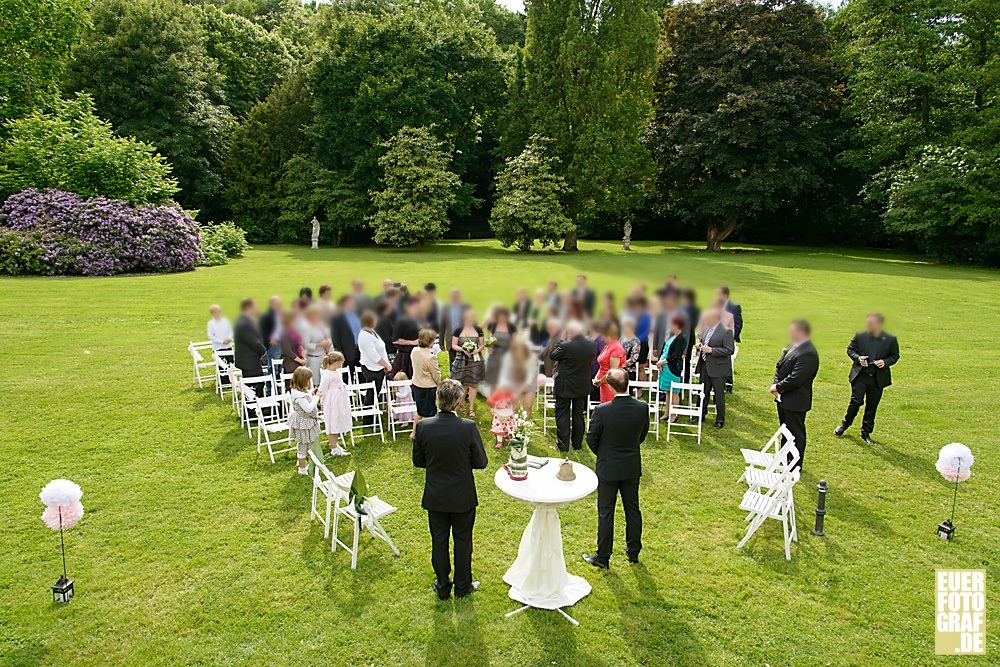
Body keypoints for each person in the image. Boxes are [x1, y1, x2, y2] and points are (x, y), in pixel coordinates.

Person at [412, 379, 489, 600]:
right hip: (462, 494)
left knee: (439, 539)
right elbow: (481, 461)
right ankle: (462, 586)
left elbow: (418, 461)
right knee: (463, 540)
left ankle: (443, 584)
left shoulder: (424, 426)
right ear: (457, 403)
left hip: (436, 494)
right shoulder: (467, 428)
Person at [583, 369, 649, 569]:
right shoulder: (642, 408)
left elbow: (591, 438)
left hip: (608, 467)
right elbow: (642, 435)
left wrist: (604, 454)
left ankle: (603, 557)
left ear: (610, 387)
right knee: (632, 509)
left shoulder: (603, 410)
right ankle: (633, 551)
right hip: (630, 465)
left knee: (606, 512)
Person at [836, 313, 899, 444]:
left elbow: (895, 356)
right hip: (861, 375)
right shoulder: (860, 335)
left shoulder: (890, 339)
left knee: (872, 405)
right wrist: (858, 358)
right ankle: (845, 424)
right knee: (856, 401)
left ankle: (866, 432)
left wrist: (885, 362)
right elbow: (850, 349)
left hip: (877, 378)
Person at [771, 319, 820, 469]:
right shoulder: (792, 346)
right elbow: (779, 366)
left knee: (795, 433)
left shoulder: (809, 353)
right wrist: (776, 385)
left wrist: (778, 387)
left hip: (796, 400)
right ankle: (785, 458)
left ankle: (795, 463)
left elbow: (796, 378)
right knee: (785, 430)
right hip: (784, 397)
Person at [550, 320, 594, 451]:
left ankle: (563, 444)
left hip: (565, 385)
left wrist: (561, 339)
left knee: (562, 413)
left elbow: (553, 355)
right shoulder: (591, 344)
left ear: (572, 332)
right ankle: (577, 443)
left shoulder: (565, 346)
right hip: (582, 385)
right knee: (578, 413)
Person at [697, 310, 735, 429]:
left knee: (718, 395)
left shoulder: (726, 331)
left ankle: (720, 419)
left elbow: (729, 350)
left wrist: (712, 350)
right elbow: (704, 341)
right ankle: (700, 414)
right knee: (703, 392)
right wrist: (700, 345)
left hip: (718, 369)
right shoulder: (707, 329)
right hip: (705, 366)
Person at [358, 311, 392, 423]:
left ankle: (372, 415)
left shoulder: (372, 332)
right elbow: (373, 355)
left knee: (375, 392)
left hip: (378, 368)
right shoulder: (364, 335)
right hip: (371, 368)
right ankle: (368, 419)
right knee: (371, 393)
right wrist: (386, 365)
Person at [450, 310, 485, 417]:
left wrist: (476, 350)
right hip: (461, 359)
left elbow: (482, 345)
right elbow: (453, 345)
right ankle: (462, 404)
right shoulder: (458, 330)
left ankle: (471, 408)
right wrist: (463, 349)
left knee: (473, 385)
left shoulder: (478, 330)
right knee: (463, 384)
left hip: (475, 360)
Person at [288, 367, 321, 475]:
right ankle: (302, 468)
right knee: (303, 445)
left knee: (310, 443)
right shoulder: (299, 396)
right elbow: (308, 408)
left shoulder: (301, 391)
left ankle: (308, 463)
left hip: (308, 421)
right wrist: (316, 398)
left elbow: (307, 395)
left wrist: (311, 393)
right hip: (303, 423)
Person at [319, 352, 351, 457]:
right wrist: (321, 401)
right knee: (332, 422)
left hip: (339, 399)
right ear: (336, 362)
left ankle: (336, 445)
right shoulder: (327, 375)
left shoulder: (337, 372)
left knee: (337, 421)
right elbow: (322, 390)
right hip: (332, 400)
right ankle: (333, 447)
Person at [656, 315, 688, 420]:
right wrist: (660, 363)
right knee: (668, 391)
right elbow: (665, 350)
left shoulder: (682, 338)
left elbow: (675, 355)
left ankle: (674, 414)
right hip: (665, 367)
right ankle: (667, 412)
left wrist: (662, 362)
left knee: (674, 391)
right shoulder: (672, 337)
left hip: (673, 368)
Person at [410, 329, 442, 434]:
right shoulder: (430, 357)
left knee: (419, 411)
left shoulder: (414, 351)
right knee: (429, 414)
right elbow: (436, 374)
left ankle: (414, 432)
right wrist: (439, 384)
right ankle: (428, 434)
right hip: (427, 387)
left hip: (416, 384)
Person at [499, 336, 539, 418]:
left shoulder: (531, 360)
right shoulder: (508, 358)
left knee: (527, 405)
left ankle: (524, 427)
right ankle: (515, 426)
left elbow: (529, 379)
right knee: (515, 406)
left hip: (530, 381)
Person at [234, 298, 267, 379]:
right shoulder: (244, 323)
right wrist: (263, 351)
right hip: (249, 362)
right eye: (255, 306)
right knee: (255, 386)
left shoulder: (245, 321)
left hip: (250, 360)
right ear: (249, 307)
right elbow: (253, 341)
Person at [593, 321, 625, 403]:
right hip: (603, 383)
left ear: (610, 336)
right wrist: (597, 377)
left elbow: (612, 371)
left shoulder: (616, 348)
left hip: (611, 385)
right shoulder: (607, 346)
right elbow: (602, 364)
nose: (602, 338)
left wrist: (600, 381)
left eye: (604, 335)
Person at [330, 294, 362, 376]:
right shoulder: (337, 317)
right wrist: (340, 354)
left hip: (360, 349)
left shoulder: (357, 314)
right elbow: (335, 337)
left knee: (361, 373)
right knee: (347, 375)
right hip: (347, 351)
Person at [300, 303, 332, 381]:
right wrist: (320, 344)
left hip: (325, 356)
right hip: (314, 358)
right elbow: (305, 344)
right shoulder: (307, 328)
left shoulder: (323, 325)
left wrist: (329, 343)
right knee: (316, 380)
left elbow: (328, 336)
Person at [391, 297, 422, 378]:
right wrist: (412, 342)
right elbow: (395, 340)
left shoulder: (419, 320)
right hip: (405, 357)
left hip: (417, 354)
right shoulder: (401, 321)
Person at [485, 306, 515, 388]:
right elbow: (489, 338)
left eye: (504, 316)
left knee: (505, 379)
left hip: (506, 354)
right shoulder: (492, 325)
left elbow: (513, 342)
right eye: (500, 316)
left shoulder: (511, 327)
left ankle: (503, 399)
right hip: (494, 355)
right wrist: (489, 347)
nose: (502, 318)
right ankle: (493, 399)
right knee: (493, 380)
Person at [440, 289, 467, 365]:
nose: (455, 298)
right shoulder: (445, 308)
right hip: (450, 339)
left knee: (463, 361)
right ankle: (452, 376)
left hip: (462, 338)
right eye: (453, 297)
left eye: (456, 297)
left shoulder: (465, 307)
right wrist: (441, 342)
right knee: (452, 361)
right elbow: (442, 326)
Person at [258, 296, 283, 374]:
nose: (280, 305)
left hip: (282, 343)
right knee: (273, 368)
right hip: (273, 345)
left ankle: (279, 385)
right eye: (278, 303)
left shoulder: (281, 314)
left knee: (280, 367)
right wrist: (270, 339)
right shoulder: (266, 316)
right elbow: (262, 332)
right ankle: (271, 385)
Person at [680, 289, 700, 382]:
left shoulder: (696, 310)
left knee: (686, 360)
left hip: (688, 336)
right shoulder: (679, 307)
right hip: (678, 336)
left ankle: (686, 379)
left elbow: (693, 323)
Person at [279, 311, 306, 376]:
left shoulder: (295, 332)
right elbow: (288, 351)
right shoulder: (284, 333)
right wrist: (300, 361)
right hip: (290, 363)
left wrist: (304, 357)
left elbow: (300, 345)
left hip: (299, 362)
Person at [620, 316, 642, 381]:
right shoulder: (621, 339)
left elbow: (634, 358)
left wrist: (622, 365)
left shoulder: (636, 342)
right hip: (619, 367)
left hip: (629, 370)